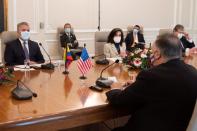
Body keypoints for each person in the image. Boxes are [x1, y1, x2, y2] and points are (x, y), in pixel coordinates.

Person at [106, 33, 197, 131]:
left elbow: (120, 101)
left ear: (157, 54)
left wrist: (113, 88)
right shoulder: (193, 72)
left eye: (153, 53)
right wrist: (138, 86)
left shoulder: (151, 75)